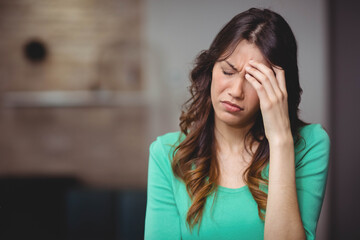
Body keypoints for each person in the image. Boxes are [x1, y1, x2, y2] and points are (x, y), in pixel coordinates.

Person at [144, 7, 330, 240]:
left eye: (255, 80)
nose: (236, 91)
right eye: (228, 71)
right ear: (210, 70)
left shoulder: (310, 145)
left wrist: (281, 140)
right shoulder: (167, 153)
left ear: (278, 89)